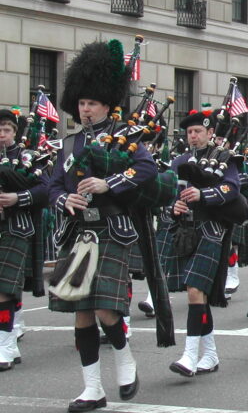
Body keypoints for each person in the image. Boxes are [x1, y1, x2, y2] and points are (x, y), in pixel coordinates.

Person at [48, 40, 151, 411]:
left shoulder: (126, 136)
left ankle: (125, 359)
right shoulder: (70, 143)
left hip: (111, 228)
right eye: (81, 103)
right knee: (80, 310)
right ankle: (92, 388)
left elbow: (146, 169)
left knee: (107, 309)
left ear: (107, 104)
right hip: (79, 231)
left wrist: (110, 183)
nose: (85, 108)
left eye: (91, 103)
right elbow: (53, 186)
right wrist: (65, 199)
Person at [166, 105, 242, 378]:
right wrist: (173, 207)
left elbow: (232, 189)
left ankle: (189, 355)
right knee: (197, 294)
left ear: (211, 132)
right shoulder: (178, 162)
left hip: (211, 230)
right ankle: (209, 354)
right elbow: (167, 195)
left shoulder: (224, 158)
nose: (193, 136)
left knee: (195, 291)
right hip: (184, 232)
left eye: (198, 131)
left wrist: (204, 195)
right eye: (189, 132)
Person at [0, 108, 50, 370]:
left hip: (16, 227)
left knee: (4, 289)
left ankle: (6, 344)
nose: (1, 134)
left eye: (6, 129)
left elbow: (45, 190)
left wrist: (16, 198)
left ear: (15, 132)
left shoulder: (28, 156)